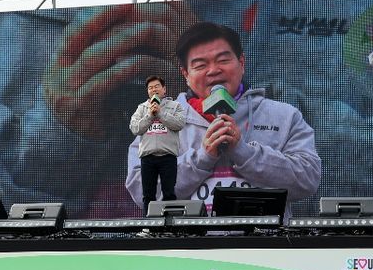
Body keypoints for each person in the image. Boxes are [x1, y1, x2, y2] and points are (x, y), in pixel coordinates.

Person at [126, 22, 322, 220]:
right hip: (189, 239)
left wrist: (245, 153)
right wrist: (201, 158)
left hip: (263, 238)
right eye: (200, 65)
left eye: (223, 60)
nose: (213, 70)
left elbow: (308, 179)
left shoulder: (284, 116)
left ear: (241, 63)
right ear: (186, 74)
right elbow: (142, 190)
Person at [130, 75, 186, 215]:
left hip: (168, 156)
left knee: (169, 193)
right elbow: (135, 128)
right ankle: (148, 224)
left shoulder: (175, 106)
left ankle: (169, 224)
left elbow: (179, 124)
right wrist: (150, 115)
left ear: (164, 89)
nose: (154, 90)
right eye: (150, 88)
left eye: (156, 86)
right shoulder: (142, 108)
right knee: (148, 195)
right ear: (147, 91)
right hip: (148, 158)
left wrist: (160, 113)